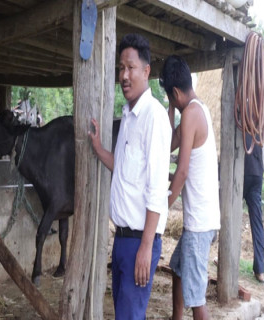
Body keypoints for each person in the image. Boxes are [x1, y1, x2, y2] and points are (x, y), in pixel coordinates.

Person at [89, 33, 172, 319]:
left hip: (140, 240)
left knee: (130, 315)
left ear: (146, 71)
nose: (124, 75)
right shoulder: (128, 115)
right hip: (123, 240)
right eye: (121, 68)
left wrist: (146, 247)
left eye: (131, 68)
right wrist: (99, 148)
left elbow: (157, 188)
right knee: (124, 314)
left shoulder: (154, 117)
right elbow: (124, 168)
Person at [159, 55, 220, 320]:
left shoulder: (192, 114)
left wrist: (163, 205)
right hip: (202, 222)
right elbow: (167, 143)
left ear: (174, 92)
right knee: (178, 269)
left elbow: (181, 171)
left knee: (197, 300)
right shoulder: (197, 109)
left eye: (171, 98)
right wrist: (170, 109)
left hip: (199, 224)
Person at [244, 133, 264, 283]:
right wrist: (260, 172)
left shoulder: (239, 121)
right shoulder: (261, 125)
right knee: (257, 223)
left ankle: (225, 258)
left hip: (242, 172)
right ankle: (260, 271)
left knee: (228, 217)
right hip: (257, 173)